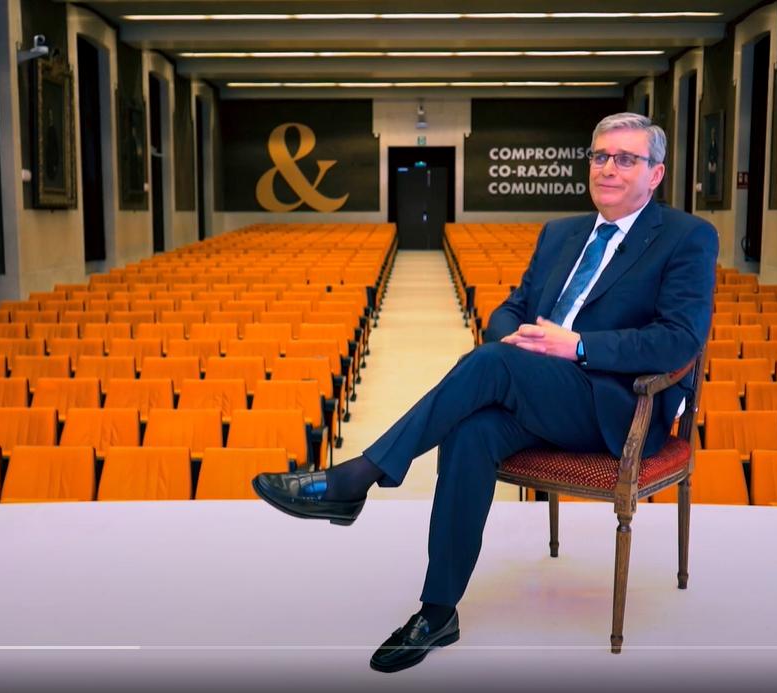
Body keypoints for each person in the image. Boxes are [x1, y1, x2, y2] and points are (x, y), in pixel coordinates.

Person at [253, 112, 718, 673]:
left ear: (656, 173)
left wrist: (577, 346)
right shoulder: (562, 233)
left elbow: (678, 340)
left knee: (491, 365)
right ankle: (437, 610)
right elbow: (512, 308)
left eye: (626, 158)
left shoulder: (687, 237)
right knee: (470, 429)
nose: (608, 168)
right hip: (540, 388)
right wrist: (516, 336)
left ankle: (356, 477)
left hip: (615, 406)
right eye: (599, 156)